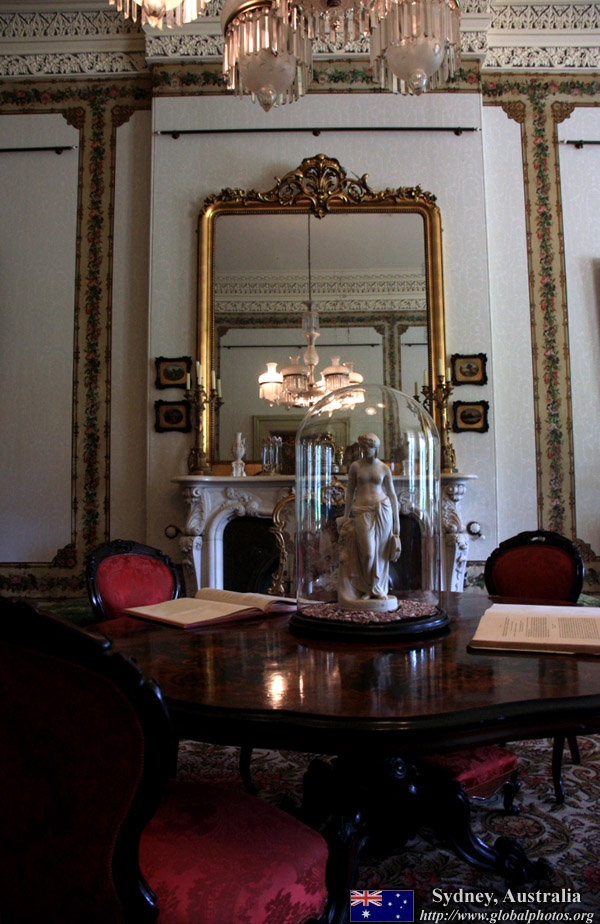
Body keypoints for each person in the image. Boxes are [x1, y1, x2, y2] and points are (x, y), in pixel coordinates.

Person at [337, 433, 402, 611]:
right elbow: (350, 492)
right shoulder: (355, 466)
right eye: (362, 447)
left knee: (381, 553)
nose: (364, 450)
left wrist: (396, 521)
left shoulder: (384, 468)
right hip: (361, 510)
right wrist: (345, 515)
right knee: (368, 553)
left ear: (376, 448)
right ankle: (366, 588)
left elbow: (392, 494)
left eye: (368, 447)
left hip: (382, 510)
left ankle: (376, 590)